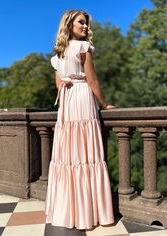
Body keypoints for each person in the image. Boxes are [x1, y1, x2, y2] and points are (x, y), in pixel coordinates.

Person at [45, 9, 115, 230]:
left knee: (69, 155)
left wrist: (69, 83)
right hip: (83, 98)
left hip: (67, 101)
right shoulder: (84, 48)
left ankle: (67, 210)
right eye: (81, 22)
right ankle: (89, 212)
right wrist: (104, 105)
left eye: (87, 23)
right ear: (69, 24)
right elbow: (92, 80)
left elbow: (58, 85)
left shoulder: (57, 55)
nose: (86, 26)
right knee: (86, 153)